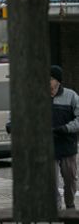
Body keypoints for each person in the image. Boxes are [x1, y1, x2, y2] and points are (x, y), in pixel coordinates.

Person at [50, 65, 79, 210]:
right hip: (49, 147)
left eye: (50, 78)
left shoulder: (71, 96)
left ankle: (70, 204)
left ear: (58, 81)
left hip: (67, 146)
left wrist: (66, 128)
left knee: (70, 180)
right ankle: (55, 208)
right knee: (51, 181)